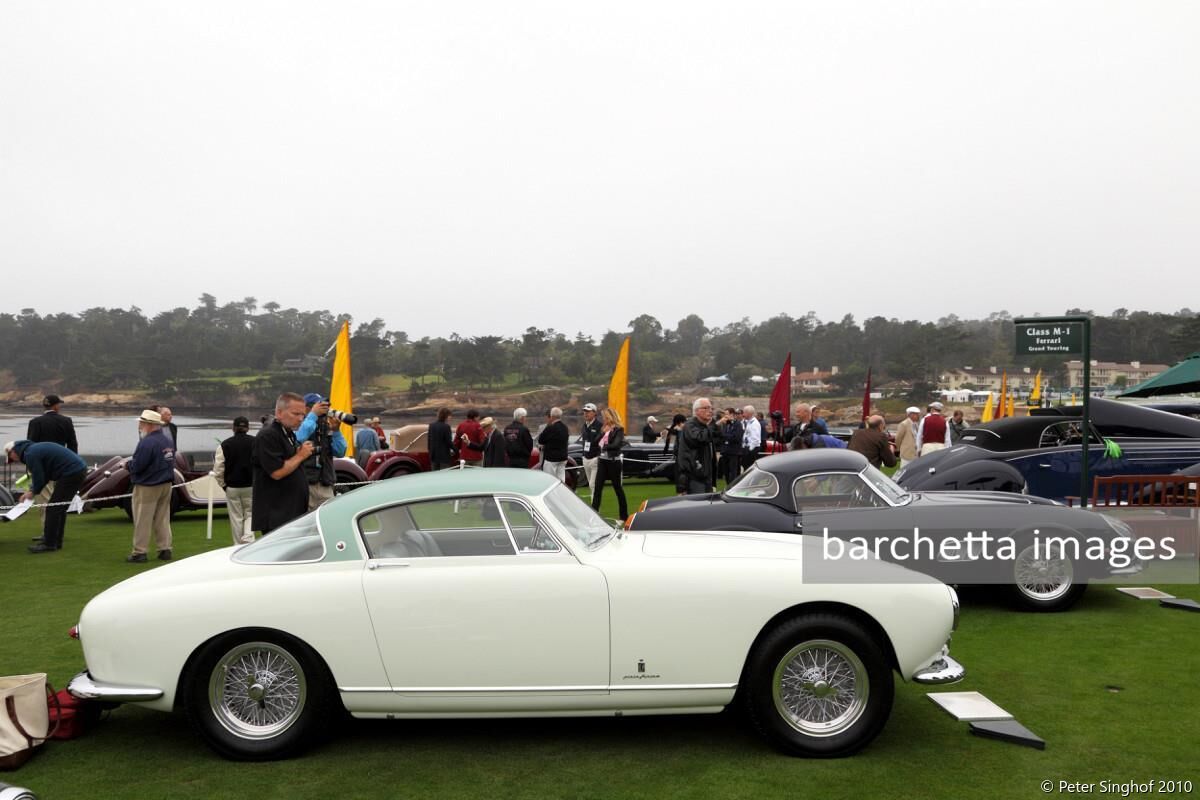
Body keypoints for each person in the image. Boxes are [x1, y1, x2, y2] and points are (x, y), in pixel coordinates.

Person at [4, 439, 87, 554]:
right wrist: (33, 491)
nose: (14, 460)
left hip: (71, 473)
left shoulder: (30, 454)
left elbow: (39, 477)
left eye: (12, 458)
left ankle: (49, 544)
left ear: (12, 451)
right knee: (59, 508)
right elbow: (45, 475)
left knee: (53, 509)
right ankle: (55, 541)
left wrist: (32, 492)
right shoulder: (32, 450)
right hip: (77, 470)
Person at [252, 392, 315, 534]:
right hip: (277, 516)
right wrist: (300, 455)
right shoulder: (268, 435)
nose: (300, 419)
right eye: (295, 414)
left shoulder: (287, 433)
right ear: (279, 413)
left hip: (290, 513)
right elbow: (277, 472)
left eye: (303, 415)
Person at [126, 409, 175, 563]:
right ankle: (165, 548)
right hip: (166, 483)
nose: (140, 426)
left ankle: (140, 552)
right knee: (162, 518)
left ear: (148, 424)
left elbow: (139, 465)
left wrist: (128, 465)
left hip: (148, 485)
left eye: (141, 423)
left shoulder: (147, 443)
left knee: (143, 519)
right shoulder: (167, 440)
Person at [27, 394, 78, 524]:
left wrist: (30, 467)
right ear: (55, 406)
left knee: (44, 499)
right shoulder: (66, 421)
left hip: (43, 466)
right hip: (63, 466)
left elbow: (31, 447)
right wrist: (72, 463)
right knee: (59, 499)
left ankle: (48, 531)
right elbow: (72, 444)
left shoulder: (35, 422)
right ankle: (55, 529)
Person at [297, 393, 347, 509]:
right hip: (305, 485)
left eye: (325, 407)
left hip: (326, 484)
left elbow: (340, 451)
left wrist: (336, 431)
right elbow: (299, 438)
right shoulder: (300, 424)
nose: (323, 411)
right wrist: (313, 416)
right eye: (320, 407)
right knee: (303, 523)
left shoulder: (326, 426)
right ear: (307, 408)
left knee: (327, 521)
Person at [213, 416, 255, 545]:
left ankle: (237, 545)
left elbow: (218, 469)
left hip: (232, 487)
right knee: (250, 513)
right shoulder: (256, 442)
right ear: (248, 428)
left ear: (233, 428)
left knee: (236, 517)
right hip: (251, 486)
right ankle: (248, 538)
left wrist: (223, 485)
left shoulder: (224, 445)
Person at [676, 398, 721, 495]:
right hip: (695, 477)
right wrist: (714, 424)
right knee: (697, 506)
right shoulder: (690, 426)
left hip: (707, 476)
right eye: (705, 408)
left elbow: (720, 437)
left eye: (711, 408)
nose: (710, 411)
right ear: (696, 411)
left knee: (706, 507)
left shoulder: (705, 426)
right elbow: (700, 438)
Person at [591, 407, 628, 520]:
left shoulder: (619, 429)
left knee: (617, 488)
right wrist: (603, 432)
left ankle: (623, 515)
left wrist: (604, 446)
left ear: (609, 417)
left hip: (614, 462)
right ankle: (594, 514)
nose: (603, 419)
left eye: (604, 417)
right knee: (597, 488)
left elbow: (616, 445)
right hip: (602, 461)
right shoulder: (604, 428)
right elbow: (595, 442)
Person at [536, 407, 569, 482]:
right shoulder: (565, 427)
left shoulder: (550, 428)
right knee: (561, 480)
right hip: (563, 457)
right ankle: (561, 493)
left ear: (552, 416)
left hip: (551, 458)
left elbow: (541, 440)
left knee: (549, 480)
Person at [578, 403, 602, 499]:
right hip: (586, 458)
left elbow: (599, 442)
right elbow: (584, 441)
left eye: (588, 411)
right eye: (584, 411)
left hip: (595, 458)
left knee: (593, 484)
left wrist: (598, 457)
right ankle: (594, 507)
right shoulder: (584, 425)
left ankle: (595, 508)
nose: (585, 413)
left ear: (594, 413)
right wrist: (584, 455)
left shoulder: (599, 425)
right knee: (590, 485)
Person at [718, 407, 744, 487]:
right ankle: (728, 486)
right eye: (724, 414)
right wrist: (726, 436)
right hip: (725, 451)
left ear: (732, 414)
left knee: (733, 471)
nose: (725, 416)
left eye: (727, 414)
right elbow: (721, 435)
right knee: (726, 471)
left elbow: (736, 437)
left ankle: (732, 487)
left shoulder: (738, 424)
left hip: (733, 452)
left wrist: (725, 436)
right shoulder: (726, 424)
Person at [740, 405, 762, 472]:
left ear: (748, 413)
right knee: (745, 466)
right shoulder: (748, 422)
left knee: (749, 467)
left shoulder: (755, 424)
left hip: (751, 448)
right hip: (747, 447)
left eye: (744, 413)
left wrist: (749, 449)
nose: (743, 414)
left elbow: (756, 439)